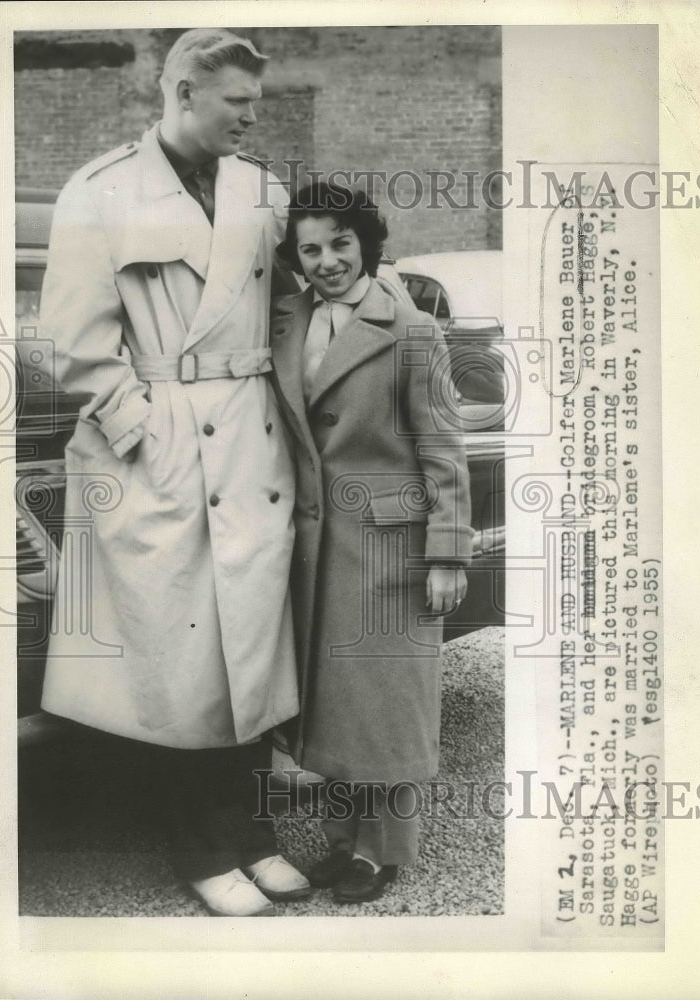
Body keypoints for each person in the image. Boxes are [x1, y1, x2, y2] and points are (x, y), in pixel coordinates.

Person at [39, 28, 310, 916]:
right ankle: (202, 848)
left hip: (251, 441)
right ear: (185, 92)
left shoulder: (261, 189)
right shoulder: (101, 189)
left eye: (255, 105)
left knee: (255, 658)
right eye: (236, 102)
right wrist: (146, 431)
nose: (249, 118)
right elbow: (76, 342)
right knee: (182, 662)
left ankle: (255, 837)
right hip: (160, 447)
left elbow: (294, 309)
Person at [269, 181, 473, 903]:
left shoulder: (411, 329)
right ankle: (340, 842)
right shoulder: (287, 320)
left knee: (385, 707)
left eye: (340, 243)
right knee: (332, 706)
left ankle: (381, 852)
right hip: (315, 546)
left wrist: (448, 550)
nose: (326, 261)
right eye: (310, 249)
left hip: (390, 544)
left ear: (367, 244)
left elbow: (441, 445)